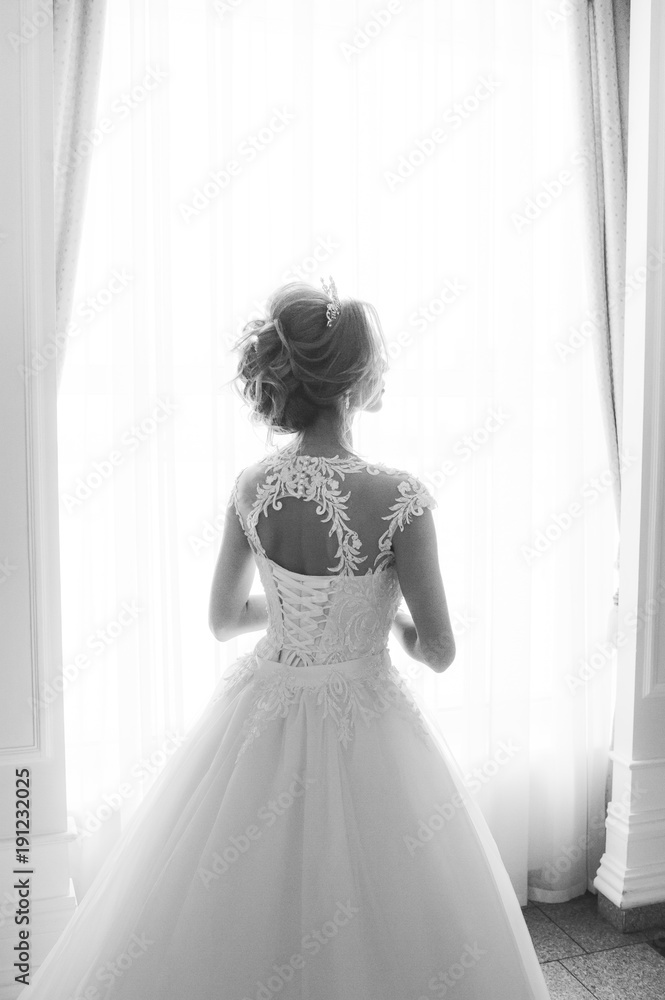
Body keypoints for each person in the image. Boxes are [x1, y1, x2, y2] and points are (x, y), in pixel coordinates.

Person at [19, 278, 550, 1000]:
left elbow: (222, 620)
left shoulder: (252, 486)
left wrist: (297, 609)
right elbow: (439, 650)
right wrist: (381, 622)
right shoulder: (400, 497)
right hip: (366, 712)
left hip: (261, 706)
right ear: (355, 380)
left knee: (233, 888)